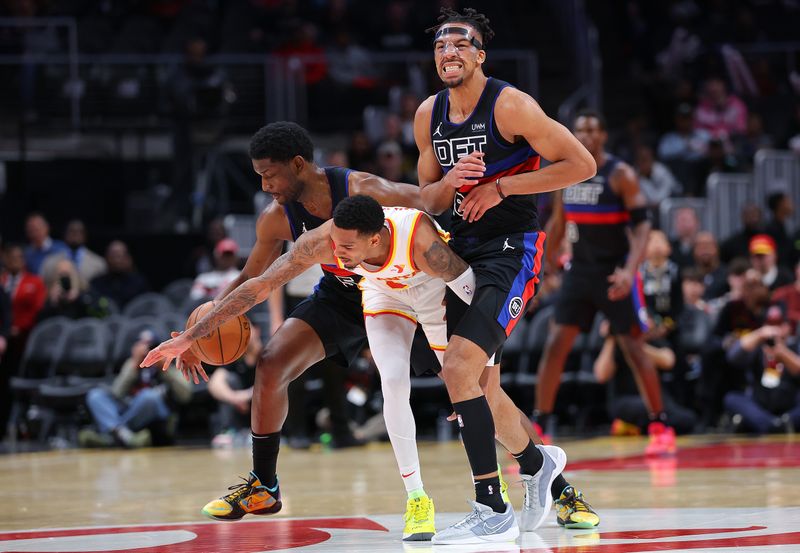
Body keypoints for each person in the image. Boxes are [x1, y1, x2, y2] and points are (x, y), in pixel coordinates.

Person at [143, 121, 429, 533]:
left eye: (269, 174)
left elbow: (433, 206)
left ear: (298, 165)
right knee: (272, 363)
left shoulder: (364, 188)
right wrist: (198, 333)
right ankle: (264, 485)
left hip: (402, 290)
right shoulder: (275, 219)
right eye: (259, 176)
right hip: (342, 296)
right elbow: (249, 279)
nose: (264, 185)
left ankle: (542, 479)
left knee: (472, 386)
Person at [413, 8, 598, 543]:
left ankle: (490, 506)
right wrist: (450, 182)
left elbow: (581, 163)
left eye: (460, 46)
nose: (448, 54)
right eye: (440, 48)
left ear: (479, 55)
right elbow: (426, 196)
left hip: (511, 248)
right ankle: (542, 467)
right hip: (457, 252)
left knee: (459, 370)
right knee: (480, 388)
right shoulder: (429, 114)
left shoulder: (510, 104)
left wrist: (502, 186)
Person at [535, 109, 675, 458]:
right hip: (580, 271)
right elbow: (557, 221)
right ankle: (538, 426)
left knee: (634, 348)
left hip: (614, 272)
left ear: (603, 136)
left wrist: (630, 270)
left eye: (593, 129)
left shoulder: (620, 174)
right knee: (555, 345)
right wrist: (544, 264)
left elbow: (643, 227)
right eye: (580, 129)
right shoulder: (566, 174)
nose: (586, 134)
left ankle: (660, 424)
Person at [79, 329, 192, 448]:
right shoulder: (131, 363)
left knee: (149, 396)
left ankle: (112, 435)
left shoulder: (170, 363)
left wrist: (165, 369)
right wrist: (134, 365)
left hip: (158, 410)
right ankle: (126, 436)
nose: (147, 350)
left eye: (152, 346)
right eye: (142, 345)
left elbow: (186, 395)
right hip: (130, 407)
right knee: (95, 395)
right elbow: (117, 392)